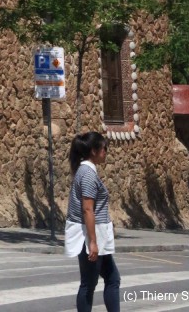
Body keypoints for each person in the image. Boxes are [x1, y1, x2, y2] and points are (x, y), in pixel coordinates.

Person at [65, 131, 121, 312]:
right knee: (89, 284)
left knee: (111, 279)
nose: (106, 152)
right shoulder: (88, 174)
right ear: (94, 151)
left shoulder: (85, 171)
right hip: (89, 237)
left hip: (94, 235)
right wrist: (93, 243)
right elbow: (87, 209)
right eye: (104, 148)